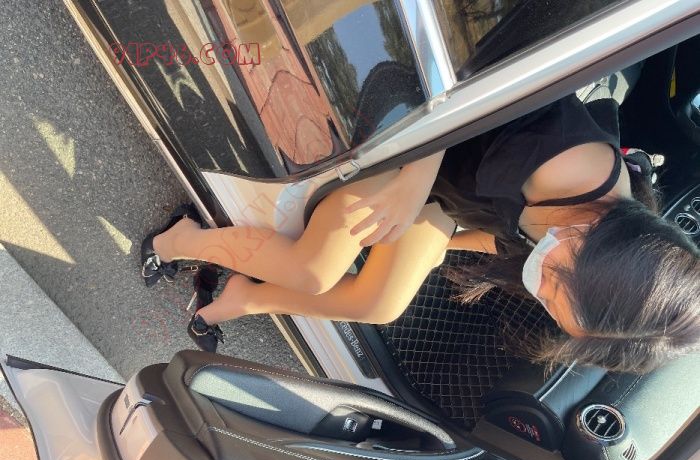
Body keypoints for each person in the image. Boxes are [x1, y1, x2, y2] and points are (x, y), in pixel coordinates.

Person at [140, 93, 700, 373]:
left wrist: (433, 250)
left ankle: (247, 297)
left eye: (556, 311)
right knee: (313, 270)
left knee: (381, 301)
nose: (543, 296)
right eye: (557, 290)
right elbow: (466, 91)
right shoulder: (567, 165)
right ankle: (179, 240)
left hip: (445, 193)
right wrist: (412, 183)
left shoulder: (579, 241)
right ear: (600, 246)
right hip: (415, 135)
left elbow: (502, 239)